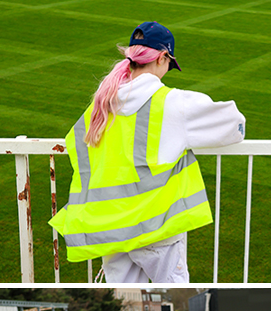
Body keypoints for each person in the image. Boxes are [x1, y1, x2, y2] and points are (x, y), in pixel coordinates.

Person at [50, 21, 246, 283]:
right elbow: (235, 125)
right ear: (163, 57)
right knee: (177, 290)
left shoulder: (100, 106)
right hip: (156, 230)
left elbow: (79, 152)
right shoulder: (172, 103)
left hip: (110, 230)